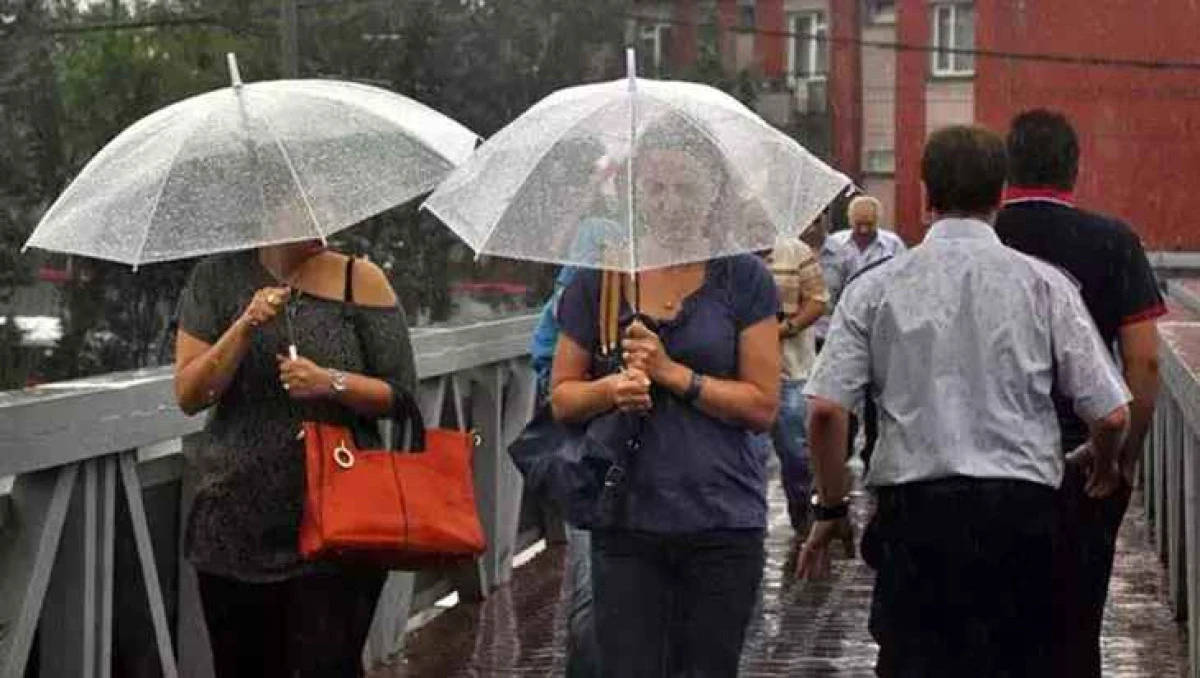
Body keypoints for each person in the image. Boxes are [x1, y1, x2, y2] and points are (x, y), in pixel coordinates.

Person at [798, 125, 1132, 677]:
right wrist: (1102, 459)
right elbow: (1112, 413)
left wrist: (831, 507)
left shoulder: (875, 288)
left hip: (916, 522)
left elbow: (826, 411)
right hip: (1021, 518)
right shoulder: (1045, 285)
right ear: (1000, 194)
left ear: (925, 195)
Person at [551, 117, 781, 677]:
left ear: (715, 191)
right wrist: (611, 388)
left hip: (722, 517)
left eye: (686, 189)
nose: (670, 204)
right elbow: (562, 398)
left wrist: (674, 375)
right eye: (655, 189)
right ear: (634, 191)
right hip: (626, 517)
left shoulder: (743, 279)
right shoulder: (601, 280)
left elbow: (762, 406)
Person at [174, 240, 415, 677]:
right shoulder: (215, 278)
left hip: (339, 525)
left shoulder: (360, 280)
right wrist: (244, 326)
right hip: (235, 525)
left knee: (328, 666)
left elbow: (401, 395)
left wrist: (330, 382)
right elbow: (190, 395)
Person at [995, 109, 1166, 678]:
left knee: (994, 632)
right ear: (1075, 168)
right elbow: (1143, 361)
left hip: (989, 465)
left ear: (1008, 169)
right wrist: (1122, 459)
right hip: (1083, 464)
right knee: (1074, 631)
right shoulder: (1114, 242)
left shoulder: (980, 240)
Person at [765, 233, 828, 536]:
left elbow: (818, 299)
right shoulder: (726, 256)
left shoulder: (795, 251)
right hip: (740, 372)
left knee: (795, 452)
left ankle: (803, 513)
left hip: (791, 368)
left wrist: (787, 327)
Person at [829, 195, 906, 276]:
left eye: (869, 224)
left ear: (878, 220)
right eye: (859, 224)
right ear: (850, 220)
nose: (864, 230)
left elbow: (903, 273)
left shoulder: (893, 244)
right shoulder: (835, 242)